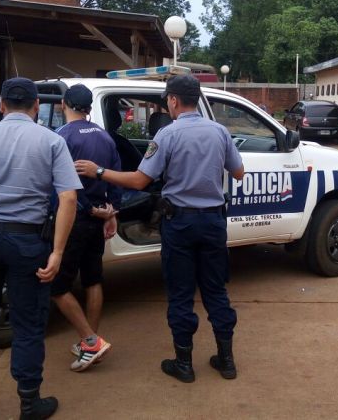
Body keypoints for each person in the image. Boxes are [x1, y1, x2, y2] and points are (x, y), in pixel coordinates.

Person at [75, 74, 245, 383]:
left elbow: (140, 181)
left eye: (168, 99)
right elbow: (238, 172)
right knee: (216, 291)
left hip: (179, 223)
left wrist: (99, 171)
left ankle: (184, 364)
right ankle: (226, 360)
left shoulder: (167, 135)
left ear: (174, 100)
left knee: (180, 294)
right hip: (213, 223)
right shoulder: (220, 132)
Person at [0, 77, 81, 420]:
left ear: (1, 105)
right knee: (28, 323)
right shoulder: (52, 142)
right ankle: (28, 402)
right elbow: (68, 198)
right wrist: (57, 252)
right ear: (37, 106)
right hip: (27, 242)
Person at [52, 84, 121, 372]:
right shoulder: (105, 138)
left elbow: (63, 186)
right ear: (89, 107)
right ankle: (91, 342)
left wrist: (86, 209)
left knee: (57, 286)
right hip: (97, 218)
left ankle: (90, 341)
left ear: (64, 103)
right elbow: (114, 177)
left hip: (74, 219)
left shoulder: (60, 137)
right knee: (93, 279)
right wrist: (111, 213)